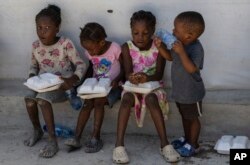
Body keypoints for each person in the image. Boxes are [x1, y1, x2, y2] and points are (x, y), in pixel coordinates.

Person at [112, 10, 180, 164]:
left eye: (145, 33)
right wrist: (132, 77)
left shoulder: (158, 47)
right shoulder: (127, 47)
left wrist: (146, 77)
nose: (140, 37)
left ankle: (164, 144)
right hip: (133, 87)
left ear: (152, 31)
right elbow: (128, 72)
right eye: (136, 33)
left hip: (153, 87)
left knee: (151, 99)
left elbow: (159, 74)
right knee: (126, 98)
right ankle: (119, 145)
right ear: (131, 31)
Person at [23, 4, 86, 158]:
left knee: (42, 100)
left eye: (47, 28)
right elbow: (33, 65)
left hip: (63, 85)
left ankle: (52, 141)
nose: (42, 32)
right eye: (39, 27)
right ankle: (37, 130)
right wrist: (32, 76)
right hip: (43, 83)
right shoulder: (36, 46)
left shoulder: (65, 43)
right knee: (29, 99)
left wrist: (72, 80)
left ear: (57, 28)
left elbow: (81, 64)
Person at [64, 22, 124, 153]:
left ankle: (95, 137)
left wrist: (117, 80)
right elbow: (92, 67)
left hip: (113, 87)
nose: (89, 52)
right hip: (96, 86)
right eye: (86, 49)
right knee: (87, 103)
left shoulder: (114, 48)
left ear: (102, 42)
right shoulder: (90, 51)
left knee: (98, 102)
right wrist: (81, 84)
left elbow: (125, 67)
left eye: (91, 49)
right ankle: (77, 137)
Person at [155, 11, 205, 157]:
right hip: (180, 91)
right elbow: (170, 57)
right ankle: (187, 139)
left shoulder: (196, 48)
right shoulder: (179, 43)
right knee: (184, 116)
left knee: (193, 118)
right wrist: (161, 48)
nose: (172, 31)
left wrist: (182, 52)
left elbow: (191, 68)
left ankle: (194, 144)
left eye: (176, 30)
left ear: (188, 36)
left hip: (192, 92)